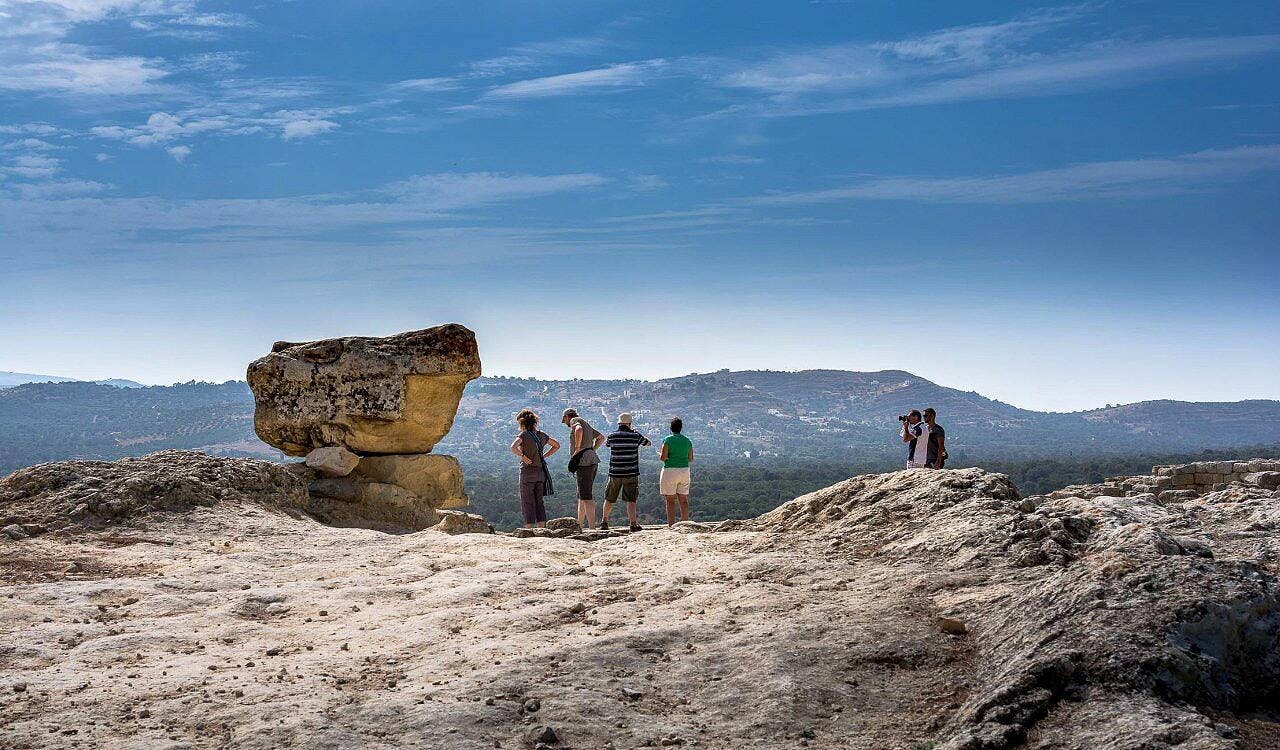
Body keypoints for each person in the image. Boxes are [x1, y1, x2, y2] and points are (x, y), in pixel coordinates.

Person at [509, 409, 559, 529]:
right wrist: (544, 456)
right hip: (541, 473)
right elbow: (556, 445)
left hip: (527, 472)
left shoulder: (524, 435)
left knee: (527, 501)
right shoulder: (542, 435)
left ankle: (529, 529)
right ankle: (541, 528)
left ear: (522, 423)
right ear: (535, 422)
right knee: (539, 501)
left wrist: (523, 456)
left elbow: (513, 447)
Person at [601, 412, 650, 532]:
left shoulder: (612, 436)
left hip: (615, 473)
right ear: (629, 423)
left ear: (619, 423)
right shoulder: (635, 436)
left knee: (609, 498)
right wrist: (635, 432)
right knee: (631, 500)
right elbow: (648, 443)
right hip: (631, 473)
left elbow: (607, 445)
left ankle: (604, 521)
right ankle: (633, 524)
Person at [561, 408, 605, 529]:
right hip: (592, 460)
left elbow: (578, 429)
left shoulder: (575, 421)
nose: (564, 422)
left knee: (586, 496)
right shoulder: (587, 424)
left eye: (563, 419)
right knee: (582, 495)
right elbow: (601, 437)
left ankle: (592, 528)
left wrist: (578, 448)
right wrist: (592, 449)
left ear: (567, 417)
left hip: (584, 463)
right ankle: (579, 525)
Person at [659, 417, 693, 526]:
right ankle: (685, 524)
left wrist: (660, 455)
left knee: (670, 500)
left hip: (670, 471)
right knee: (683, 500)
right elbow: (691, 458)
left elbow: (663, 457)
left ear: (671, 428)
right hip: (684, 471)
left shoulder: (668, 440)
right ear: (681, 428)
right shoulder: (687, 441)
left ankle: (671, 525)